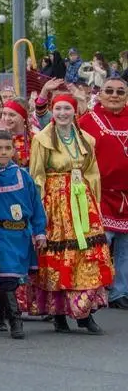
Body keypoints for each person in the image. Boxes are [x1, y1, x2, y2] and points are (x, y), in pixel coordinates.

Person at [29, 94, 113, 333]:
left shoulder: (86, 140)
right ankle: (58, 314)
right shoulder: (43, 139)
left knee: (86, 253)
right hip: (55, 201)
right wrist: (40, 206)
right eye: (58, 108)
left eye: (67, 108)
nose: (62, 113)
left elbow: (93, 173)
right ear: (52, 111)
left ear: (74, 112)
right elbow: (37, 174)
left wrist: (93, 202)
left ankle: (85, 312)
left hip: (81, 199)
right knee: (59, 255)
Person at [0, 130, 46, 340]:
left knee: (12, 279)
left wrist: (40, 231)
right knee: (8, 278)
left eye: (8, 148)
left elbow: (36, 206)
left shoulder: (23, 175)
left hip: (21, 235)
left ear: (14, 149)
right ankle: (15, 321)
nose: (3, 152)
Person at [78, 77, 128, 310]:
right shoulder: (89, 120)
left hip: (126, 194)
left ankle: (120, 292)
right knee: (100, 243)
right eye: (109, 91)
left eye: (120, 91)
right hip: (101, 193)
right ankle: (93, 290)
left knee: (126, 248)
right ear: (101, 93)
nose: (115, 95)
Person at [1, 98, 34, 167]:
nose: (6, 118)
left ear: (23, 117)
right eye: (4, 114)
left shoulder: (34, 138)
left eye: (12, 115)